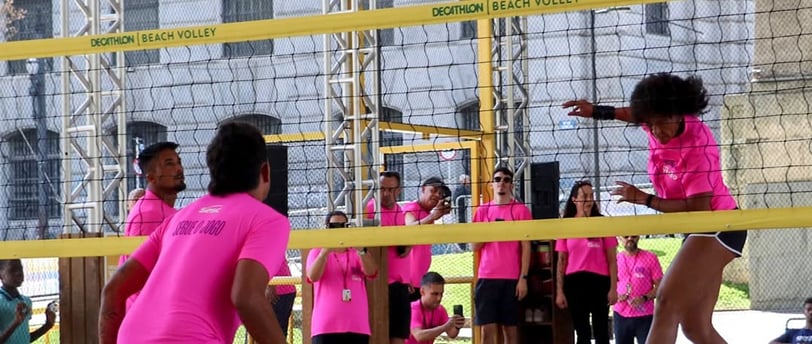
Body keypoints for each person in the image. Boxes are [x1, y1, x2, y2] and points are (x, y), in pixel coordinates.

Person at [564, 73, 748, 344]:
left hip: (717, 227)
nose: (655, 130)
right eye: (649, 123)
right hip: (698, 230)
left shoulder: (698, 144)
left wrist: (645, 199)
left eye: (661, 123)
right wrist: (597, 112)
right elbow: (633, 114)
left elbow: (697, 209)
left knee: (665, 303)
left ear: (678, 113)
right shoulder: (653, 120)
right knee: (696, 327)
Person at [99, 121, 291, 343]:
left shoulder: (178, 218)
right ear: (265, 172)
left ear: (213, 170)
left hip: (132, 336)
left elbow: (113, 291)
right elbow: (247, 297)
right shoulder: (267, 220)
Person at [472, 167, 531, 344]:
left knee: (510, 330)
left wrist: (523, 278)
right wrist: (490, 230)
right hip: (487, 277)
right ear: (492, 185)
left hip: (511, 278)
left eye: (506, 180)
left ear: (511, 185)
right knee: (487, 330)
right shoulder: (482, 211)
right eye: (498, 179)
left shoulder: (521, 211)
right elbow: (474, 246)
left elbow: (526, 247)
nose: (501, 183)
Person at [555, 180, 618, 344]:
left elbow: (612, 260)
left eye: (591, 196)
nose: (589, 200)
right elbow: (561, 261)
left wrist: (613, 288)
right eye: (584, 196)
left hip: (599, 282)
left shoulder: (602, 223)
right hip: (575, 283)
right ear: (574, 200)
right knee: (582, 333)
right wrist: (560, 291)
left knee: (601, 332)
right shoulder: (566, 225)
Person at [307, 210, 378, 344]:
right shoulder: (317, 251)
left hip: (357, 327)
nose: (339, 229)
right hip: (325, 328)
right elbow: (312, 277)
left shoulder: (357, 252)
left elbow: (371, 272)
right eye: (334, 226)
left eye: (342, 225)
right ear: (327, 229)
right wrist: (324, 252)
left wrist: (361, 250)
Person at [119, 141, 186, 268]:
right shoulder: (147, 215)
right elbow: (138, 272)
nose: (179, 168)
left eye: (179, 162)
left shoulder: (164, 210)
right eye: (169, 164)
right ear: (151, 178)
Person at [366, 171, 412, 344]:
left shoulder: (400, 211)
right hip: (379, 284)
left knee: (398, 336)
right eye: (382, 189)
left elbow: (402, 248)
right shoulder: (370, 210)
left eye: (390, 189)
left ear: (398, 190)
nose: (385, 194)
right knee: (378, 334)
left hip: (399, 285)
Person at [404, 177, 452, 301]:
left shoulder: (428, 214)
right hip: (408, 282)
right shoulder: (412, 207)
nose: (437, 195)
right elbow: (410, 228)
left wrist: (436, 215)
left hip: (418, 282)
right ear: (423, 189)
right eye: (433, 190)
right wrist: (433, 216)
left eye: (440, 193)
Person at [614, 235, 663, 344]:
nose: (630, 238)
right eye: (626, 236)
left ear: (639, 237)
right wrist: (616, 296)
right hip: (621, 314)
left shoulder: (650, 257)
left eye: (634, 236)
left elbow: (660, 286)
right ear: (619, 238)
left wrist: (645, 298)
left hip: (645, 315)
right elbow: (607, 286)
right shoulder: (615, 259)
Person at [0, 259, 56, 343]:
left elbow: (25, 339)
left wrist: (48, 325)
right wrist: (16, 323)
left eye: (20, 268)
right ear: (1, 275)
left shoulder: (26, 301)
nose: (18, 273)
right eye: (13, 269)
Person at [406, 272, 465, 344]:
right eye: (435, 294)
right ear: (422, 292)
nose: (439, 298)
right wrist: (445, 327)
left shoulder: (440, 309)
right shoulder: (413, 309)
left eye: (441, 294)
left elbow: (451, 334)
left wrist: (457, 326)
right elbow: (419, 336)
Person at [267, 260, 296, 339]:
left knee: (275, 332)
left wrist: (269, 284)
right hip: (277, 288)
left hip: (280, 291)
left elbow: (272, 260)